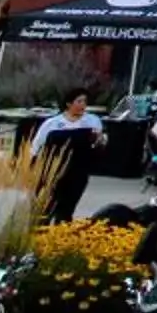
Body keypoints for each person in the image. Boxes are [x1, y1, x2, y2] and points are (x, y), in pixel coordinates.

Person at [32, 89, 108, 222]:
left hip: (78, 171)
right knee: (46, 208)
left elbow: (99, 144)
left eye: (85, 101)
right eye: (79, 101)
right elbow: (36, 146)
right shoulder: (52, 123)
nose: (82, 105)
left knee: (67, 209)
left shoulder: (92, 121)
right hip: (54, 171)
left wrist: (100, 141)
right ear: (68, 103)